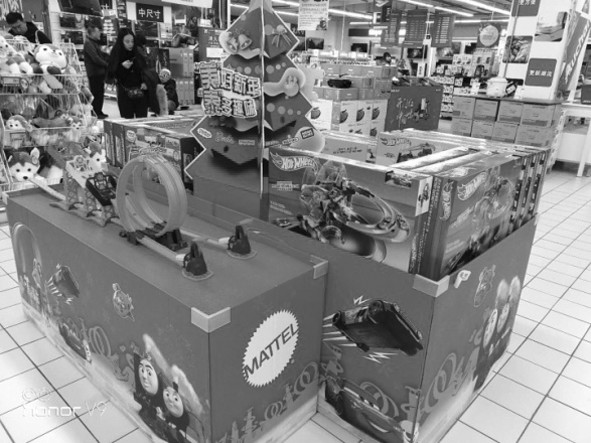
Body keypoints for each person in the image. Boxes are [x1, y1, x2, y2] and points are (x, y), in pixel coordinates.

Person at [106, 28, 148, 119]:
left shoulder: (137, 53)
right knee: (127, 121)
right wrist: (122, 67)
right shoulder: (116, 54)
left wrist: (145, 82)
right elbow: (111, 74)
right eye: (127, 41)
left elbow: (145, 71)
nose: (130, 44)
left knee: (142, 120)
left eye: (132, 41)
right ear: (121, 41)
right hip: (125, 94)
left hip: (140, 93)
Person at [83, 22, 109, 119]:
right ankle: (95, 112)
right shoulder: (88, 43)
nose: (99, 34)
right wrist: (106, 64)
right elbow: (95, 58)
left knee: (100, 93)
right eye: (98, 32)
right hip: (94, 73)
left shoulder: (93, 43)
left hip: (99, 72)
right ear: (93, 33)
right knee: (96, 93)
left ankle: (99, 111)